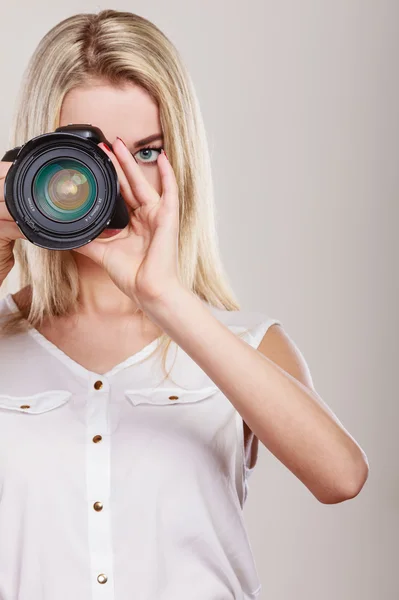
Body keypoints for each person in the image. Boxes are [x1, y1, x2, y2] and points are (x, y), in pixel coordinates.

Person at [0, 9, 369, 600]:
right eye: (89, 158)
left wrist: (165, 297)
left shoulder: (246, 342)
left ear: (182, 162)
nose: (119, 188)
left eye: (145, 153)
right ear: (36, 159)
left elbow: (341, 477)